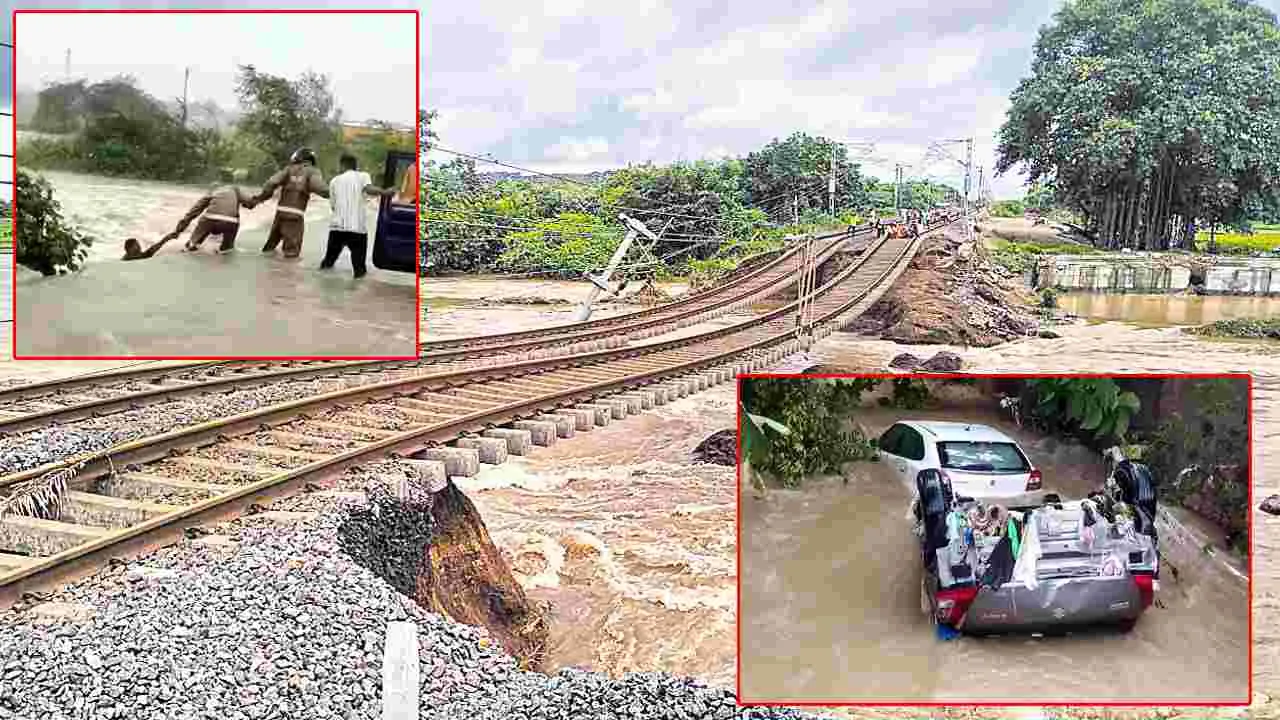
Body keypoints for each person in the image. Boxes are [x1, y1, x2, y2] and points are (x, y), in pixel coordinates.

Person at [322, 153, 397, 278]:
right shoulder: (363, 176)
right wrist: (385, 192)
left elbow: (333, 206)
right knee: (359, 269)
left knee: (327, 263)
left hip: (337, 228)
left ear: (342, 165)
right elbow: (369, 189)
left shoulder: (334, 181)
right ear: (355, 166)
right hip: (357, 230)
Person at [253, 147, 329, 259]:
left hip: (280, 214)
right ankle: (285, 275)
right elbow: (321, 189)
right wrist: (335, 194)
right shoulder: (312, 171)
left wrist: (259, 199)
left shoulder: (288, 169)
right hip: (295, 216)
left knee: (269, 249)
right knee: (291, 256)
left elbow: (271, 183)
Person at [173, 185, 258, 254]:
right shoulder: (235, 189)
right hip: (230, 221)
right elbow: (251, 202)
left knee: (191, 246)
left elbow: (195, 210)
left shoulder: (212, 192)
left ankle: (191, 245)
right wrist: (248, 205)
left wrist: (179, 229)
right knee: (227, 250)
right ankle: (226, 248)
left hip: (210, 220)